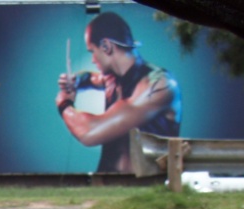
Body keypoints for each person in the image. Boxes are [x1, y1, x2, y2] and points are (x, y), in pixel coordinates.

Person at [56, 11, 181, 173]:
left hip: (145, 188)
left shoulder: (158, 85)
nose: (93, 59)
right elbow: (90, 77)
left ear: (106, 46)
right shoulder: (111, 78)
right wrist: (76, 80)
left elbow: (89, 131)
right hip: (104, 184)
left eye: (92, 51)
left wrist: (64, 103)